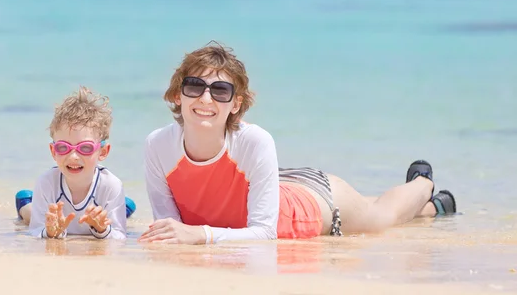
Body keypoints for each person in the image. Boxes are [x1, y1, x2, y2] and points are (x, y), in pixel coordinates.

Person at [139, 41, 457, 245]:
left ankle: (422, 185)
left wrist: (201, 235)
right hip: (265, 191)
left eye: (220, 90)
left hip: (309, 204)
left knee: (379, 218)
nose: (206, 98)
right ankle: (434, 209)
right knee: (384, 208)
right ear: (177, 94)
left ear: (235, 104)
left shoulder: (254, 142)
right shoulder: (157, 146)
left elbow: (264, 233)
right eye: (195, 86)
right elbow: (171, 228)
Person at [15, 86, 134, 239]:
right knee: (30, 217)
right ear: (53, 151)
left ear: (103, 152)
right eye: (63, 147)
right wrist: (50, 232)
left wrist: (102, 229)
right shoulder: (46, 182)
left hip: (102, 213)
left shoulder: (111, 185)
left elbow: (120, 237)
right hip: (47, 217)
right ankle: (25, 203)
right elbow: (35, 231)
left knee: (107, 218)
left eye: (85, 148)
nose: (73, 156)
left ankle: (124, 208)